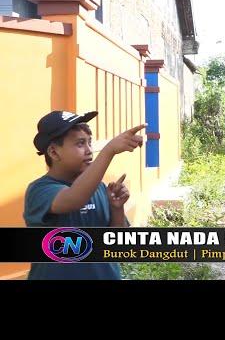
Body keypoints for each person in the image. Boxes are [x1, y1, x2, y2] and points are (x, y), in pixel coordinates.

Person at [23, 110, 145, 280]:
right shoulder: (40, 191)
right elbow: (73, 199)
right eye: (80, 144)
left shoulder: (99, 188)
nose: (89, 151)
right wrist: (109, 150)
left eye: (90, 142)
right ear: (53, 152)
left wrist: (117, 208)